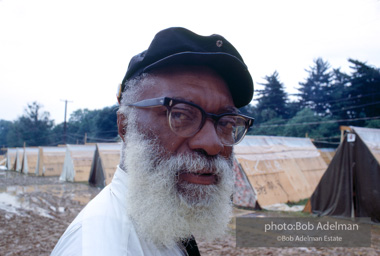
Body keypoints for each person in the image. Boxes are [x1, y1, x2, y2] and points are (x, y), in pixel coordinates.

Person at [51, 27, 254, 256]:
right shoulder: (103, 248)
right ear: (125, 126)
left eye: (226, 122)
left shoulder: (163, 222)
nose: (213, 144)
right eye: (180, 115)